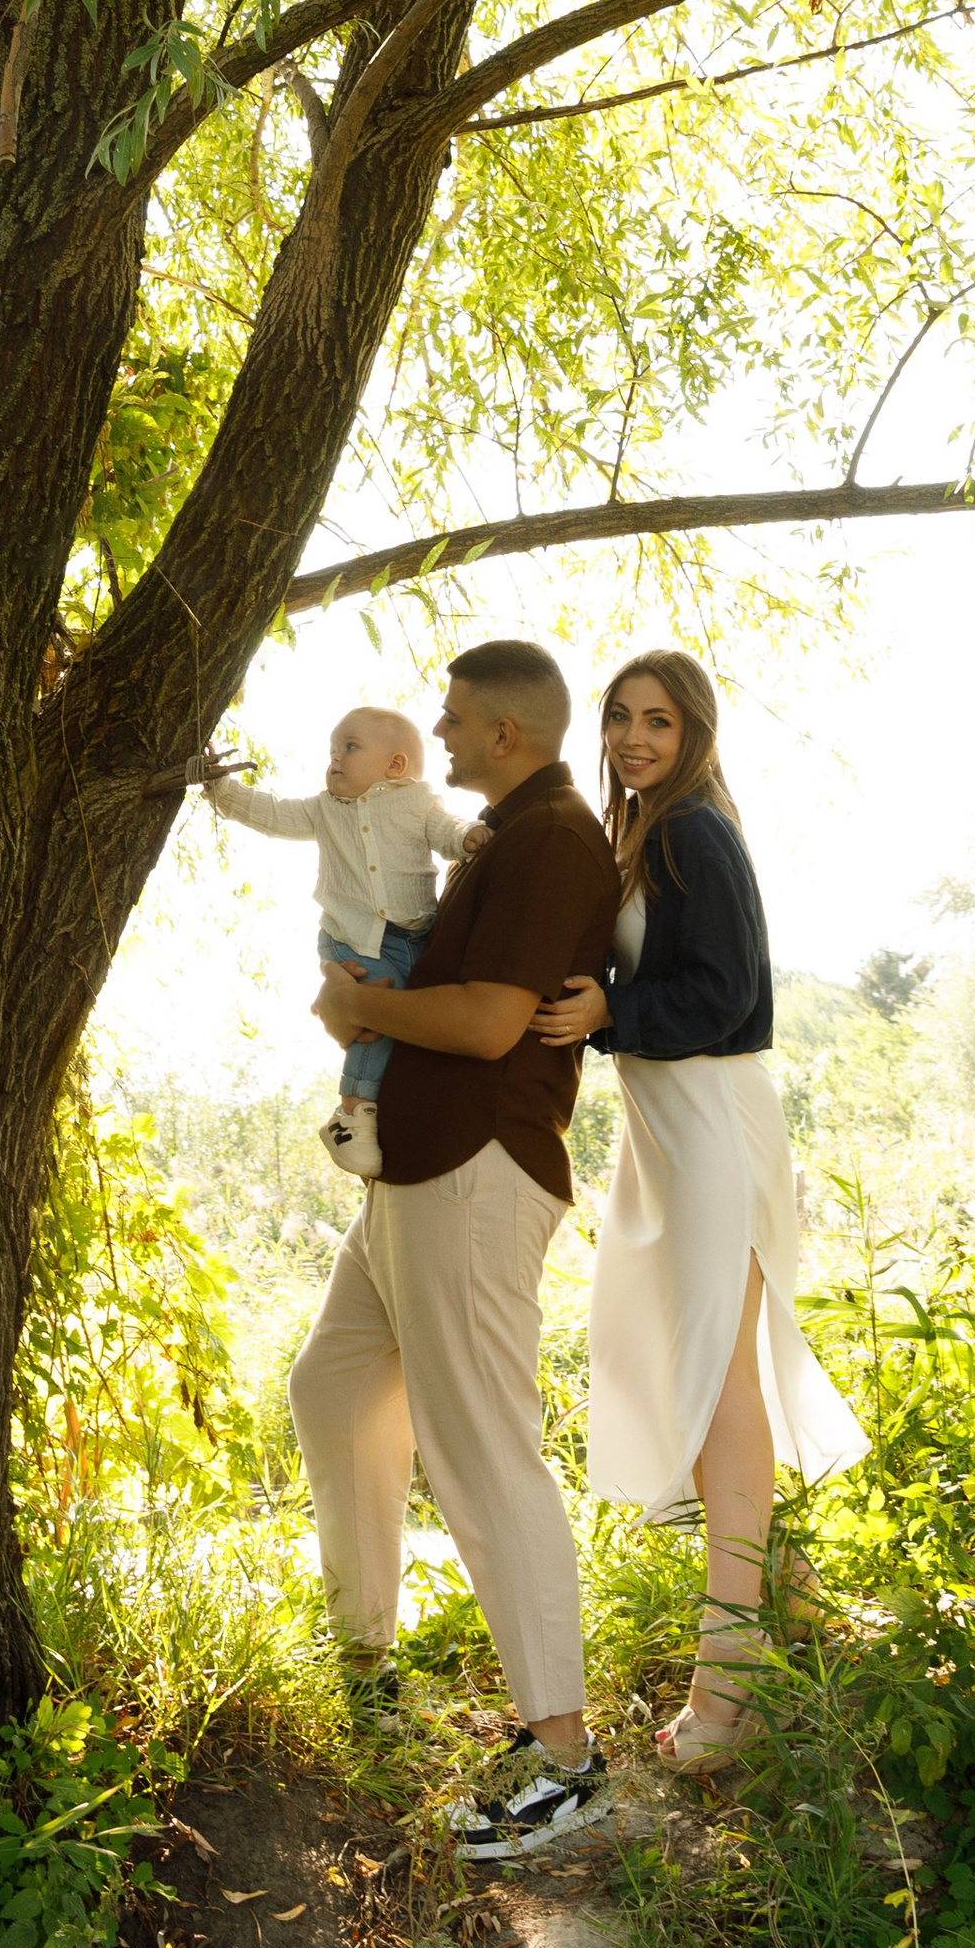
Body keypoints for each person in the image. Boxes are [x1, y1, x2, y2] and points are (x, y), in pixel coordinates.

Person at [290, 640, 622, 1860]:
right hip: (410, 1177)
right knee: (331, 1391)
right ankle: (366, 1663)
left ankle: (567, 1760)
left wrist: (356, 1005)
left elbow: (487, 1026)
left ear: (506, 736)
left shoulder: (550, 837)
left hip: (475, 1173)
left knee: (484, 1455)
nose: (435, 725)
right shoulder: (498, 835)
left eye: (455, 715)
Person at [533, 648, 868, 1768]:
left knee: (725, 1384)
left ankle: (726, 1691)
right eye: (621, 718)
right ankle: (791, 1611)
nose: (635, 738)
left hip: (712, 1124)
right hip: (667, 1132)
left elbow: (730, 993)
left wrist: (605, 1013)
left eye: (659, 723)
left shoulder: (690, 832)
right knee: (710, 1372)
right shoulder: (640, 833)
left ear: (694, 735)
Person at [195, 709, 472, 1176]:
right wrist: (220, 788)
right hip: (352, 937)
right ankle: (353, 1110)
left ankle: (387, 1102)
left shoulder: (420, 803)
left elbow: (448, 831)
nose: (334, 760)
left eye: (349, 748)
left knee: (420, 1017)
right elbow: (272, 815)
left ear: (396, 766)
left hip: (414, 935)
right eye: (332, 752)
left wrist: (470, 838)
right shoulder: (323, 809)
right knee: (380, 1007)